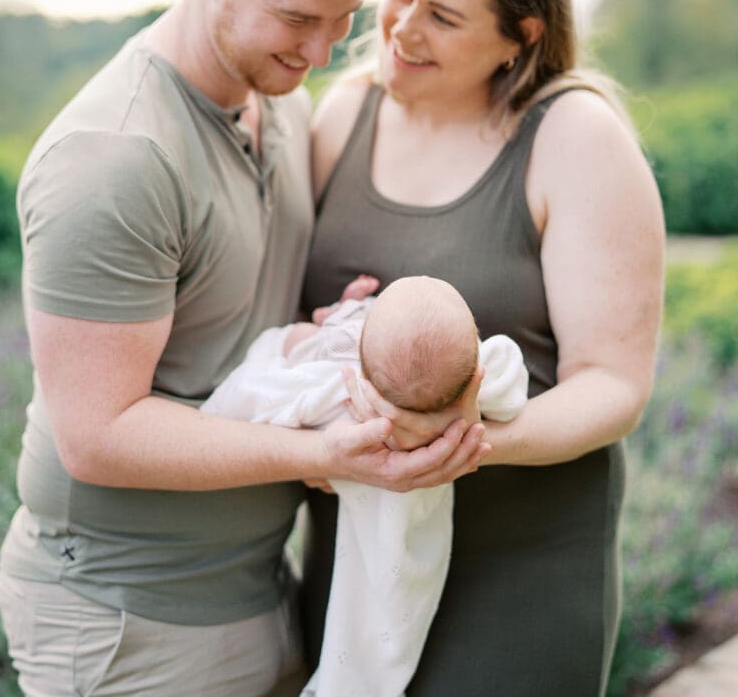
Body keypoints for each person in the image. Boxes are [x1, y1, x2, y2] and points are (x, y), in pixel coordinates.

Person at [0, 0, 489, 697]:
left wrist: (326, 338)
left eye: (341, 21)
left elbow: (230, 334)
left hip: (261, 590)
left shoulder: (282, 105)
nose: (324, 52)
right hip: (128, 623)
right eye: (298, 20)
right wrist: (328, 448)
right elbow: (97, 434)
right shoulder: (113, 158)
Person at [301, 0, 666, 696]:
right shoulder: (342, 116)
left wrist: (466, 440)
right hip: (357, 563)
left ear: (517, 37)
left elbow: (612, 384)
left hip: (517, 575)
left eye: (443, 16)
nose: (400, 27)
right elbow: (292, 322)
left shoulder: (575, 139)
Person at [201, 274, 529, 697]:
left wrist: (343, 317)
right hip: (433, 523)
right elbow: (509, 387)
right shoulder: (480, 373)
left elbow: (287, 354)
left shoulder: (342, 355)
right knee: (387, 598)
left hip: (330, 515)